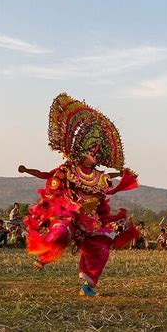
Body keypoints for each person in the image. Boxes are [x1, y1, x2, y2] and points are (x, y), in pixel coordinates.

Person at [18, 93, 139, 297]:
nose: (95, 156)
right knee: (60, 233)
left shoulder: (99, 177)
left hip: (90, 220)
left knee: (100, 250)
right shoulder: (69, 169)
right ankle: (43, 256)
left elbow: (109, 178)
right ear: (81, 152)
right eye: (92, 152)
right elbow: (46, 175)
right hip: (69, 212)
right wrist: (28, 170)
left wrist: (123, 174)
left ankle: (88, 286)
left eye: (97, 153)